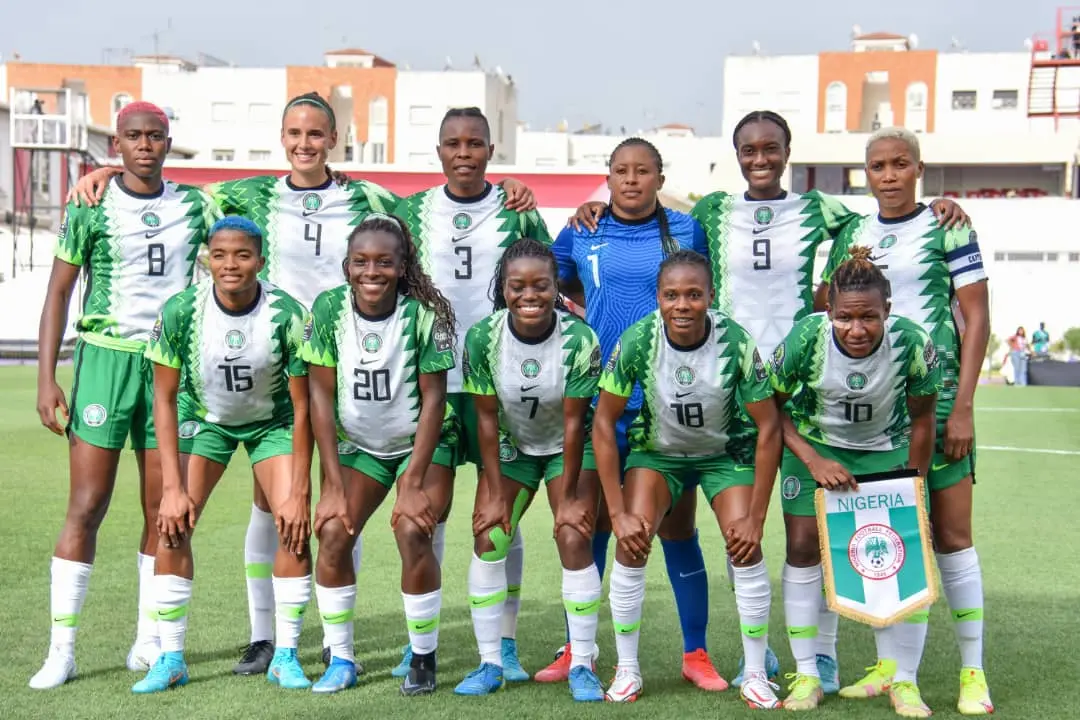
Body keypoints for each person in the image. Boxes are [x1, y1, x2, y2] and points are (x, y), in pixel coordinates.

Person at [68, 92, 539, 675]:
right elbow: (165, 191)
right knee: (285, 504)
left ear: (334, 139)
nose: (304, 143)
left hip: (400, 367)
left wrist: (513, 186)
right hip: (296, 367)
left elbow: (477, 205)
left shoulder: (374, 198)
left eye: (316, 134)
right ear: (282, 137)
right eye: (294, 132)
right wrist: (112, 171)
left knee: (454, 508)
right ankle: (269, 637)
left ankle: (434, 642)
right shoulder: (245, 196)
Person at [570, 112, 969, 691]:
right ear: (735, 155)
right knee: (691, 530)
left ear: (787, 152)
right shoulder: (710, 212)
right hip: (707, 386)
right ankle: (733, 658)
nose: (760, 159)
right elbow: (654, 221)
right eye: (748, 150)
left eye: (770, 149)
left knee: (797, 532)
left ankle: (800, 658)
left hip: (797, 383)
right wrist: (597, 209)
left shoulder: (820, 209)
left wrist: (939, 207)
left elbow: (883, 213)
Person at [30, 102, 220, 690]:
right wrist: (46, 377)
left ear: (169, 141)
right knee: (86, 505)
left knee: (163, 509)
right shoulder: (89, 205)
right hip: (104, 362)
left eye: (155, 136)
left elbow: (279, 191)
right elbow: (59, 293)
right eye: (133, 137)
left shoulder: (198, 205)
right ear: (117, 143)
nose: (144, 145)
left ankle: (148, 637)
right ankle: (62, 649)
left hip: (169, 366)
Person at [821, 126, 993, 716]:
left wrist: (963, 404)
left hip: (937, 402)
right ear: (864, 174)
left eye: (900, 163)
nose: (889, 174)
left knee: (950, 537)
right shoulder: (851, 232)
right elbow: (832, 308)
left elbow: (977, 318)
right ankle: (893, 668)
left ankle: (973, 672)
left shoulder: (949, 224)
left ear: (919, 168)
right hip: (872, 411)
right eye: (877, 165)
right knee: (886, 538)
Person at [550, 137, 727, 690]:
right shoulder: (582, 229)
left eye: (643, 171)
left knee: (676, 526)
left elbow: (702, 295)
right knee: (593, 522)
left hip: (668, 401)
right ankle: (579, 648)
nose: (631, 180)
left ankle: (694, 651)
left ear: (658, 176)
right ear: (606, 177)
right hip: (602, 397)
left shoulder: (685, 230)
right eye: (621, 171)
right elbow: (547, 282)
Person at [392, 106, 553, 680]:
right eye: (453, 143)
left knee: (497, 517)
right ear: (438, 151)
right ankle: (423, 647)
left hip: (499, 384)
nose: (464, 153)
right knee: (427, 514)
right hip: (431, 383)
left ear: (491, 150)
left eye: (476, 143)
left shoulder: (518, 212)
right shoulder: (409, 212)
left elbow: (554, 278)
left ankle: (503, 645)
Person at [594, 250, 782, 706]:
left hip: (723, 455)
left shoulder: (735, 341)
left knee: (744, 543)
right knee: (632, 538)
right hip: (659, 456)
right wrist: (616, 512)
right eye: (671, 295)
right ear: (657, 297)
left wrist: (757, 517)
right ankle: (627, 670)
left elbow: (770, 427)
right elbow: (603, 423)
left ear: (711, 296)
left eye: (694, 294)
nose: (682, 304)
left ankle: (756, 673)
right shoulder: (638, 340)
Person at [133, 217, 313, 693]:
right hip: (205, 420)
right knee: (170, 525)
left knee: (292, 528)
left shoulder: (289, 314)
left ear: (260, 259)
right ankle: (170, 657)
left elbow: (301, 405)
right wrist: (171, 488)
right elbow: (165, 401)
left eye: (242, 255)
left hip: (272, 424)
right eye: (220, 255)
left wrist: (297, 490)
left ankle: (287, 656)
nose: (230, 264)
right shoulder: (180, 311)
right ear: (206, 259)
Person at [770, 245, 942, 712]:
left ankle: (904, 680)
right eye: (845, 317)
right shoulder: (806, 337)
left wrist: (914, 484)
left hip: (885, 452)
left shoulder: (913, 343)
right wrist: (812, 461)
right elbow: (772, 409)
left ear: (888, 310)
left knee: (901, 558)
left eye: (869, 317)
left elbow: (923, 419)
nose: (857, 329)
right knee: (804, 548)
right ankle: (807, 674)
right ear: (829, 311)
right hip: (815, 447)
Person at [302, 213, 458, 696]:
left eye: (384, 263)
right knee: (332, 530)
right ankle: (342, 657)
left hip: (422, 444)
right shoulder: (328, 310)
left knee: (414, 530)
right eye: (361, 262)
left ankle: (423, 656)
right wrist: (331, 483)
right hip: (363, 446)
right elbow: (320, 399)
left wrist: (412, 482)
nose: (372, 272)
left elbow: (434, 401)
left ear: (403, 266)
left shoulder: (424, 316)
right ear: (347, 266)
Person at [456, 239, 604, 701]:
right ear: (503, 289)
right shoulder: (483, 337)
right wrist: (496, 492)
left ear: (555, 288)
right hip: (512, 447)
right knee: (490, 534)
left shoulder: (580, 338)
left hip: (567, 447)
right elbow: (484, 418)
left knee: (574, 534)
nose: (529, 295)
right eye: (517, 286)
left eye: (540, 285)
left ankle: (582, 662)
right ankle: (491, 662)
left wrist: (574, 496)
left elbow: (576, 422)